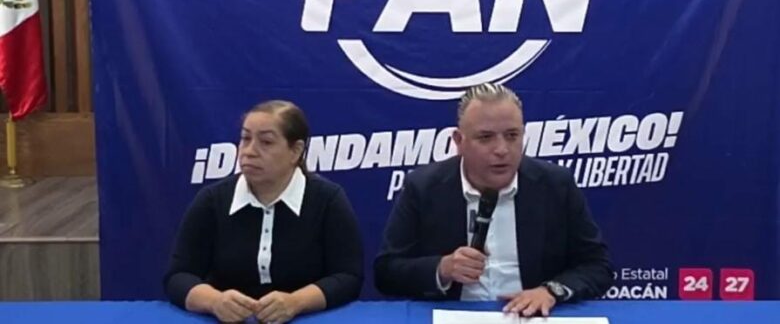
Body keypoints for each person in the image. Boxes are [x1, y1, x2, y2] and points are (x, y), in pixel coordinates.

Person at [374, 83, 613, 317]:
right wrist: (442, 269)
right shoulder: (423, 187)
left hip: (532, 317)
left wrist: (550, 291)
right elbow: (386, 272)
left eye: (512, 136)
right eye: (486, 137)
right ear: (459, 141)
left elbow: (597, 266)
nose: (501, 149)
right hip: (455, 315)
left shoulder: (555, 185)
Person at [164, 100, 363, 323]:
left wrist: (296, 302)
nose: (249, 151)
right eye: (245, 138)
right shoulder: (212, 200)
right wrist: (215, 301)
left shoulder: (327, 199)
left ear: (295, 151)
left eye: (266, 142)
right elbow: (178, 276)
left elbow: (348, 277)